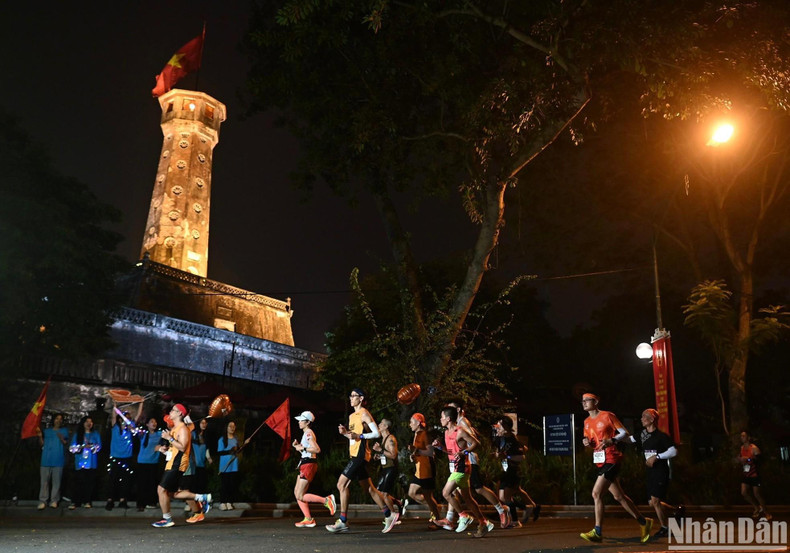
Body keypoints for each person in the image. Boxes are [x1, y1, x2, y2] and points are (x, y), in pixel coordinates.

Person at [579, 393, 652, 543]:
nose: (584, 403)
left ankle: (597, 531)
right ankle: (644, 522)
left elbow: (624, 432)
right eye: (582, 401)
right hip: (600, 460)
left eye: (587, 400)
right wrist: (587, 443)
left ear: (596, 401)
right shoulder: (586, 422)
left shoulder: (607, 416)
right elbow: (592, 443)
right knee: (619, 496)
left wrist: (611, 440)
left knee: (596, 493)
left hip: (612, 458)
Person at [325, 388, 399, 534]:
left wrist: (361, 436)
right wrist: (345, 433)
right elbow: (354, 437)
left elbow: (376, 433)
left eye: (354, 396)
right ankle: (389, 515)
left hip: (360, 455)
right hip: (354, 454)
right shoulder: (353, 416)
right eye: (350, 395)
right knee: (369, 489)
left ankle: (343, 521)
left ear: (361, 398)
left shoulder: (364, 413)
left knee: (341, 484)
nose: (350, 398)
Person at [447, 400, 513, 529]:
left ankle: (501, 510)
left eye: (452, 408)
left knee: (478, 488)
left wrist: (464, 451)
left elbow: (473, 440)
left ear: (459, 410)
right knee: (455, 491)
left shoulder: (462, 422)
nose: (449, 410)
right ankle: (453, 518)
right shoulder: (459, 423)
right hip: (461, 461)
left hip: (469, 460)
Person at [433, 406, 491, 538]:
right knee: (468, 499)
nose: (440, 419)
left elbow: (476, 443)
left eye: (442, 417)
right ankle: (483, 522)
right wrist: (440, 447)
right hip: (455, 467)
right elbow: (451, 452)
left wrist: (464, 452)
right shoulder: (447, 433)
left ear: (448, 419)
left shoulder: (460, 431)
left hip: (462, 467)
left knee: (446, 492)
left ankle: (463, 516)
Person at [152, 404, 211, 527]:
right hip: (172, 462)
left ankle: (167, 519)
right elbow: (175, 447)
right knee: (171, 493)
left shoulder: (183, 429)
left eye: (173, 410)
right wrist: (165, 449)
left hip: (178, 464)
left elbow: (183, 447)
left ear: (180, 413)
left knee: (161, 489)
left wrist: (170, 439)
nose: (171, 412)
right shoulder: (175, 428)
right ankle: (203, 497)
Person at [628, 408, 681, 540]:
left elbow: (674, 451)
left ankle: (665, 528)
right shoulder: (643, 434)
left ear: (652, 419)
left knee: (656, 501)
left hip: (660, 471)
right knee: (652, 502)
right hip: (649, 471)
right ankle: (676, 510)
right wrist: (613, 438)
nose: (641, 419)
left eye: (644, 416)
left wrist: (657, 457)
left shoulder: (661, 436)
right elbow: (629, 440)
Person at [291, 410, 337, 527]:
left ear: (307, 422)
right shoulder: (306, 433)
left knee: (300, 494)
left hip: (309, 464)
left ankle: (327, 501)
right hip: (304, 463)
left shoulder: (308, 433)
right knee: (297, 493)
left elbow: (316, 449)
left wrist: (303, 448)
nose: (299, 422)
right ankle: (308, 519)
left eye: (301, 420)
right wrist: (298, 447)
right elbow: (306, 449)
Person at [492, 415, 539, 527]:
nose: (498, 427)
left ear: (506, 427)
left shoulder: (513, 440)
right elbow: (500, 453)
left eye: (500, 425)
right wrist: (498, 455)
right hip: (505, 470)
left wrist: (506, 457)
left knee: (507, 497)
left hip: (513, 470)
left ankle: (515, 521)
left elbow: (521, 457)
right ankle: (527, 507)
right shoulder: (499, 439)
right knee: (503, 497)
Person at [106, 398, 143, 510]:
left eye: (128, 418)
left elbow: (138, 415)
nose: (126, 419)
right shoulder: (115, 427)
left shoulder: (130, 428)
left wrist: (141, 403)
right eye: (124, 417)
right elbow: (114, 414)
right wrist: (115, 404)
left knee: (126, 480)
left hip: (127, 458)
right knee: (112, 480)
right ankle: (110, 500)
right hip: (115, 457)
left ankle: (123, 500)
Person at [406, 413, 441, 523]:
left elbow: (430, 452)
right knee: (411, 493)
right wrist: (413, 455)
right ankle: (434, 509)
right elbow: (418, 451)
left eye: (412, 422)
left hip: (426, 469)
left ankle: (437, 518)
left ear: (418, 423)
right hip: (419, 470)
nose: (410, 424)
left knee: (428, 496)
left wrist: (416, 451)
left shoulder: (424, 434)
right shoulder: (416, 434)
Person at [37, 413, 70, 509]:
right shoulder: (47, 431)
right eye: (57, 418)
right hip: (45, 459)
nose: (58, 421)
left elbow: (65, 443)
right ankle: (43, 501)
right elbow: (42, 445)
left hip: (58, 460)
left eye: (60, 419)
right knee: (44, 482)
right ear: (53, 420)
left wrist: (61, 438)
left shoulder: (64, 431)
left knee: (56, 482)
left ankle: (54, 500)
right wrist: (40, 436)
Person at [68, 416, 101, 509]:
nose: (89, 423)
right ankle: (75, 502)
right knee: (78, 482)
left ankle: (87, 501)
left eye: (91, 422)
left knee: (89, 483)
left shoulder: (95, 434)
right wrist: (82, 447)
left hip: (91, 463)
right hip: (80, 462)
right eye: (87, 421)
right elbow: (71, 448)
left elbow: (99, 447)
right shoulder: (78, 434)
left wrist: (92, 446)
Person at [372, 418, 404, 516]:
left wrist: (380, 450)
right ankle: (398, 502)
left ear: (386, 426)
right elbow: (386, 454)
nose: (379, 425)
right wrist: (379, 456)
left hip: (391, 468)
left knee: (385, 494)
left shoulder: (391, 439)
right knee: (379, 492)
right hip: (385, 468)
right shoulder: (383, 438)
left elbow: (393, 455)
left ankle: (393, 515)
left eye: (381, 423)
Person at [738, 430, 771, 521]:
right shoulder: (741, 448)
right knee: (743, 492)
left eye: (743, 436)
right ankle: (756, 507)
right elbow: (741, 458)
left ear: (748, 437)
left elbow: (759, 461)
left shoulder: (754, 448)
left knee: (757, 494)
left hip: (755, 474)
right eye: (741, 436)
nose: (742, 438)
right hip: (746, 472)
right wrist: (740, 459)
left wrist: (748, 460)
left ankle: (766, 513)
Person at [135, 416, 164, 512]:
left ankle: (151, 502)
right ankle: (141, 504)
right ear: (147, 424)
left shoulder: (159, 434)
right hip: (142, 462)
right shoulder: (143, 434)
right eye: (151, 421)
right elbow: (134, 427)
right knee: (142, 484)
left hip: (153, 462)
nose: (154, 423)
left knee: (152, 483)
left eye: (155, 421)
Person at [217, 420, 244, 510]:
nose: (232, 428)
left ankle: (229, 502)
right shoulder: (222, 439)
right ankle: (222, 502)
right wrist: (231, 450)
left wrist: (244, 445)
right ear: (226, 428)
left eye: (233, 426)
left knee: (232, 485)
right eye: (230, 426)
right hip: (225, 466)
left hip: (234, 465)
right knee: (224, 484)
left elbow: (238, 450)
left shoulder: (236, 439)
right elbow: (220, 452)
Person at [190, 418, 212, 506]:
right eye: (202, 423)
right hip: (193, 463)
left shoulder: (206, 436)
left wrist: (209, 458)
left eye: (205, 423)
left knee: (201, 483)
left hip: (202, 463)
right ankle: (190, 503)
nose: (204, 424)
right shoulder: (193, 434)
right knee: (193, 484)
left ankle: (200, 502)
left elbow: (206, 449)